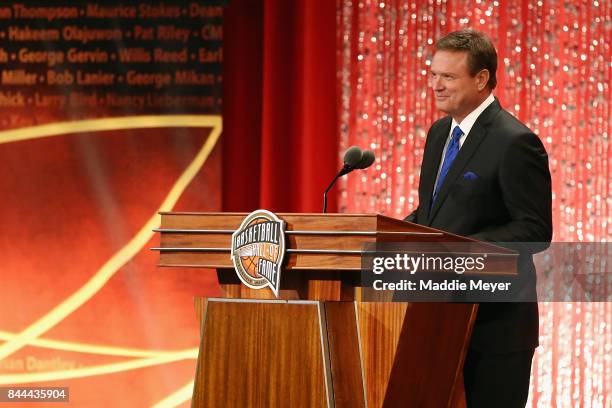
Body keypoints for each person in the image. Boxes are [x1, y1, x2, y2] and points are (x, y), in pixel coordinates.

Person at [405, 29, 552, 407]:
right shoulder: (439, 134)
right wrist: (385, 235)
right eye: (433, 74)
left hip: (495, 328)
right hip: (439, 321)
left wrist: (460, 253)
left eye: (448, 77)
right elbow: (433, 213)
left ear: (482, 78)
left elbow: (534, 231)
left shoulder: (515, 141)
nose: (435, 85)